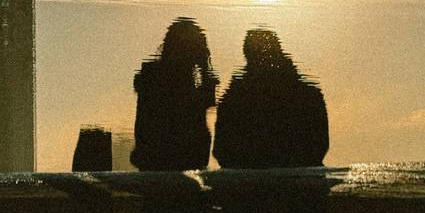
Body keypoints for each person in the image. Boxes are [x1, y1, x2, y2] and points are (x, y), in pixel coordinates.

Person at [213, 30, 329, 168]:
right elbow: (319, 147)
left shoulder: (232, 99)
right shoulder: (310, 94)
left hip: (247, 176)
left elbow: (221, 152)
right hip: (300, 175)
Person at [131, 18, 219, 171]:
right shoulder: (172, 82)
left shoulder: (153, 77)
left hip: (153, 161)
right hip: (175, 160)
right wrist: (205, 69)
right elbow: (200, 112)